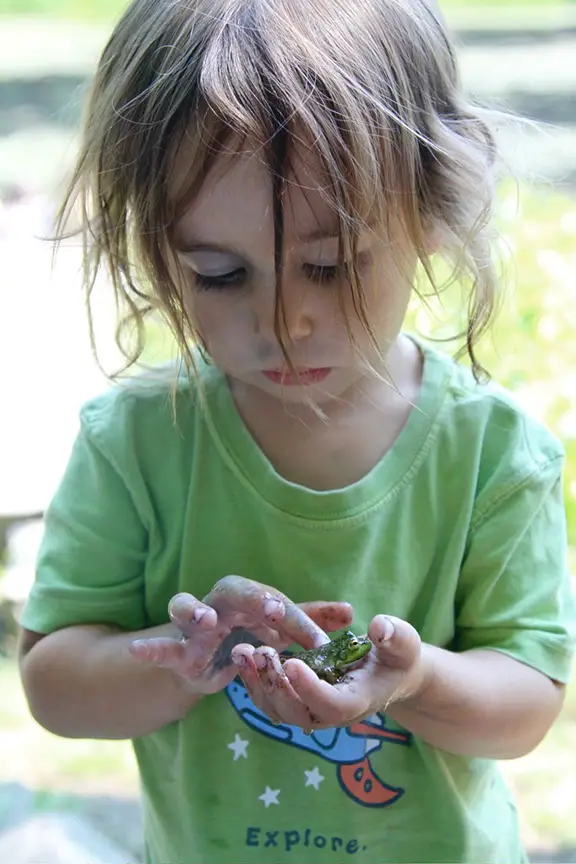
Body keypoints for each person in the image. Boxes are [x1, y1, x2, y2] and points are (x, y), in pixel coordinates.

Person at [17, 0, 575, 862]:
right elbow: (56, 685)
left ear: (431, 210)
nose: (283, 322)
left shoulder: (490, 454)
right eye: (219, 273)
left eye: (329, 264)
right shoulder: (135, 441)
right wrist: (174, 655)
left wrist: (413, 680)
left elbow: (526, 705)